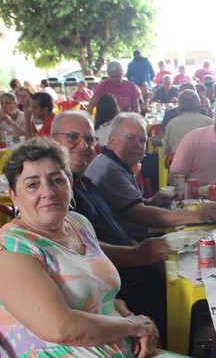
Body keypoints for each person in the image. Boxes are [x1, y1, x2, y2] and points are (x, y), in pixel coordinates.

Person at [0, 137, 216, 358]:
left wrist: (132, 318)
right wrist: (134, 325)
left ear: (70, 184)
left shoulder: (77, 224)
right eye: (33, 184)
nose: (48, 192)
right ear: (14, 196)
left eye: (57, 180)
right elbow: (60, 328)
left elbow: (103, 292)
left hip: (116, 356)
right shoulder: (8, 250)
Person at [51, 110, 173, 341]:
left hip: (133, 271)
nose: (83, 145)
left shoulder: (85, 183)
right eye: (73, 137)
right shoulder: (59, 196)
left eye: (89, 139)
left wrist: (144, 249)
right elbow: (79, 251)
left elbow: (112, 229)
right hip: (116, 286)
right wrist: (138, 254)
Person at [85, 112, 216, 241]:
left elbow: (127, 208)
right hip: (130, 246)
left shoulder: (106, 160)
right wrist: (196, 215)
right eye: (130, 138)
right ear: (111, 140)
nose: (138, 145)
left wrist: (150, 202)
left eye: (142, 140)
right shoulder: (111, 171)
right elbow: (141, 214)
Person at [162, 89, 213, 156]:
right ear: (199, 107)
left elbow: (165, 152)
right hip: (205, 162)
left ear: (178, 109)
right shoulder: (211, 123)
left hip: (178, 161)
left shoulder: (171, 124)